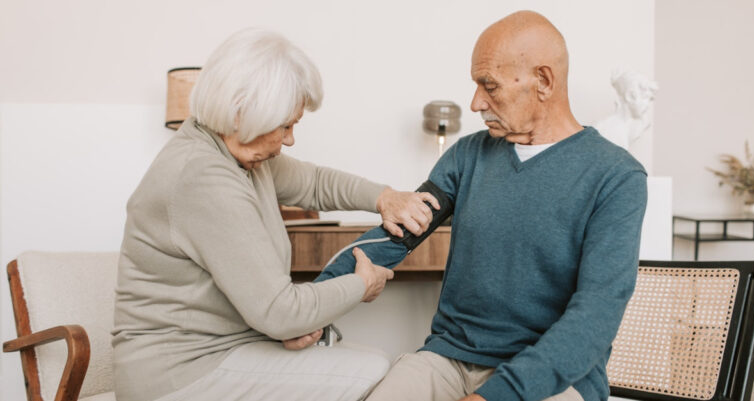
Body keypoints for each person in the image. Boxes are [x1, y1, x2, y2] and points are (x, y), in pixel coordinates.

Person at [316, 10, 648, 401]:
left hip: (551, 379)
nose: (476, 102)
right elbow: (394, 237)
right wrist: (315, 306)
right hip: (448, 361)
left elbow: (595, 317)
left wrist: (498, 395)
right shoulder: (468, 156)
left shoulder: (616, 176)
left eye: (489, 86)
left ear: (543, 81)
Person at [112, 28, 438, 401]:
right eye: (285, 125)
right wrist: (360, 285)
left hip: (221, 352)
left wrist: (384, 197)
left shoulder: (234, 153)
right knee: (375, 370)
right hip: (177, 375)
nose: (290, 139)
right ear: (242, 113)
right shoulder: (203, 177)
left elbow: (315, 182)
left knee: (365, 364)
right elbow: (280, 312)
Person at [594, 69, 659, 150]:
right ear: (630, 96)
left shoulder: (629, 126)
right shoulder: (612, 130)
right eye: (645, 98)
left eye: (650, 99)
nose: (648, 105)